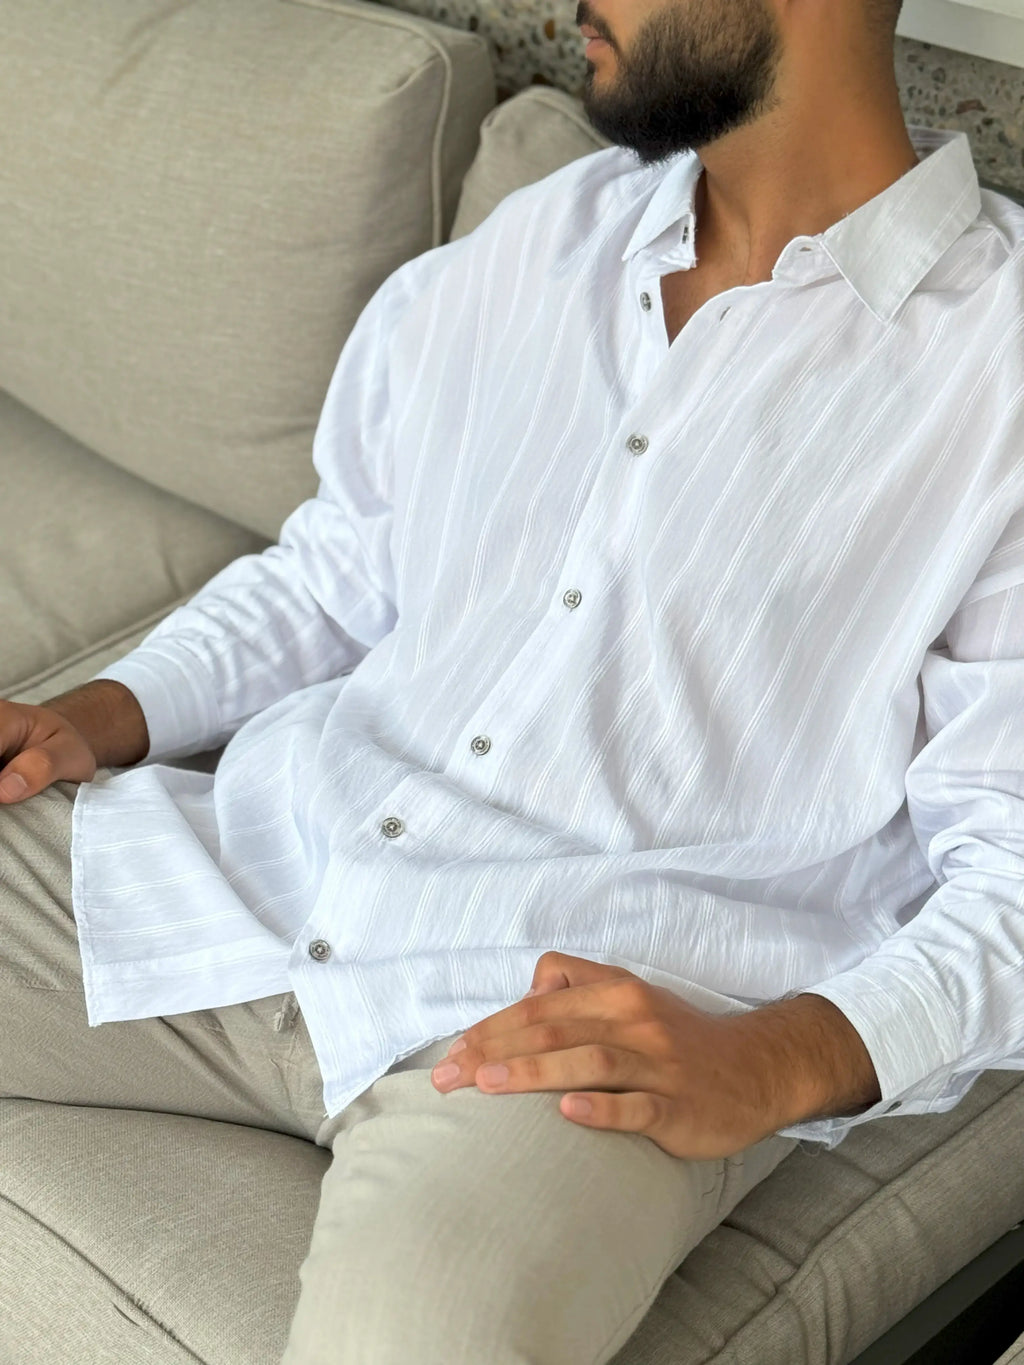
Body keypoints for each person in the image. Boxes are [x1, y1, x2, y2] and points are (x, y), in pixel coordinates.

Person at [3, 0, 1024, 1360]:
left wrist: (784, 1057)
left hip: (573, 1031)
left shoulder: (998, 367)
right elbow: (339, 569)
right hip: (244, 881)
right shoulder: (537, 243)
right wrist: (101, 711)